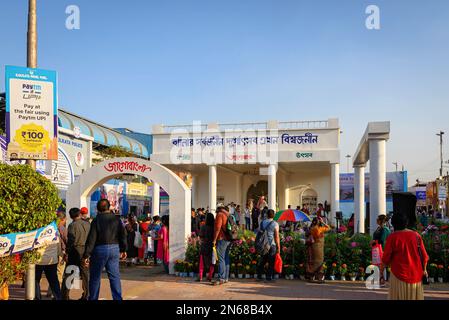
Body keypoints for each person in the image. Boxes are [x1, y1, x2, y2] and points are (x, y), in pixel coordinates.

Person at [382, 192, 429, 300]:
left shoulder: (393, 237)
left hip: (398, 275)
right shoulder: (416, 236)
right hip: (416, 275)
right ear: (406, 222)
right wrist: (424, 270)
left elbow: (386, 258)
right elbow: (424, 257)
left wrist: (381, 272)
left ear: (393, 224)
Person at [83, 199, 127, 300]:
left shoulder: (96, 220)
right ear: (108, 207)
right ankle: (118, 298)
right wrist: (124, 249)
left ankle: (93, 298)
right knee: (114, 277)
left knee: (95, 277)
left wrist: (86, 255)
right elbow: (123, 235)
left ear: (98, 209)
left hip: (99, 250)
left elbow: (92, 238)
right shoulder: (117, 219)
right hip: (114, 248)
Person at [62, 207, 90, 300]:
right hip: (85, 250)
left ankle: (65, 296)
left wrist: (67, 253)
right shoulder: (87, 224)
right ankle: (86, 295)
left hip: (75, 251)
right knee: (85, 274)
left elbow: (71, 241)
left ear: (71, 216)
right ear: (79, 214)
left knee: (70, 273)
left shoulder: (72, 225)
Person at [35, 235, 62, 300]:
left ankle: (37, 297)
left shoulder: (38, 230)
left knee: (35, 280)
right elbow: (58, 245)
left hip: (38, 260)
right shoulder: (54, 230)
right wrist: (59, 254)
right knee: (54, 281)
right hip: (52, 260)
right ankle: (58, 297)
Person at [256, 209, 280, 282]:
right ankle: (269, 277)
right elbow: (276, 236)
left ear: (267, 215)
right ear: (274, 215)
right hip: (271, 244)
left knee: (263, 260)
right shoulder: (275, 224)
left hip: (263, 244)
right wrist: (278, 246)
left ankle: (259, 276)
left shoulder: (262, 222)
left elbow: (259, 232)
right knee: (271, 261)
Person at [306, 217, 331, 283]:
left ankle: (311, 276)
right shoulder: (319, 229)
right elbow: (329, 228)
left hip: (314, 246)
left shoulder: (312, 228)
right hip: (319, 247)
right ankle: (319, 277)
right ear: (318, 222)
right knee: (319, 261)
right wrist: (323, 222)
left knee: (314, 261)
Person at [212, 206, 231, 285]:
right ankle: (226, 277)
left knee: (221, 259)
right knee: (226, 258)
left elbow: (218, 228)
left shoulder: (220, 215)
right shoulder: (228, 215)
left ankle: (221, 278)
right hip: (229, 239)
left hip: (222, 238)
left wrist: (215, 239)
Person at [372, 214, 391, 286]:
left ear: (381, 220)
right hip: (377, 248)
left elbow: (382, 240)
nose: (377, 220)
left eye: (378, 219)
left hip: (382, 249)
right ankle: (379, 279)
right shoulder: (379, 228)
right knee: (378, 264)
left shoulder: (385, 229)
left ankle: (382, 280)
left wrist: (374, 241)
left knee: (381, 264)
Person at [198, 212, 215, 282]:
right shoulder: (214, 227)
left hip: (204, 245)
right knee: (212, 262)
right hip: (212, 245)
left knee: (202, 262)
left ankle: (201, 276)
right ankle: (210, 276)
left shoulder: (203, 227)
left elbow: (201, 236)